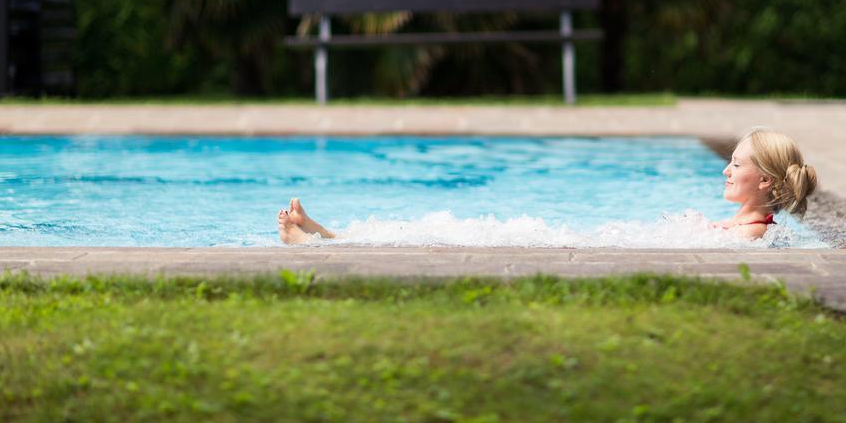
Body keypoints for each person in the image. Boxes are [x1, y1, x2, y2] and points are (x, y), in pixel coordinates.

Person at [276, 128, 818, 245]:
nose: (726, 169)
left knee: (460, 239)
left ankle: (319, 244)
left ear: (764, 180)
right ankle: (330, 238)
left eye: (736, 163)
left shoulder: (751, 237)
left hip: (596, 248)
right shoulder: (748, 227)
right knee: (449, 232)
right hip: (600, 239)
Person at [711, 128, 818, 239]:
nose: (725, 171)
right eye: (731, 162)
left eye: (736, 165)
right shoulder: (738, 227)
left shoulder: (749, 233)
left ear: (764, 180)